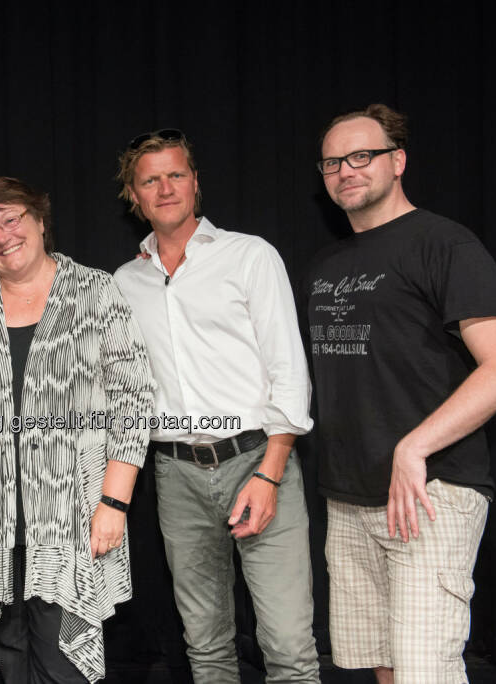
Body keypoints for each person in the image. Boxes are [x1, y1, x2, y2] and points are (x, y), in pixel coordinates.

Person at [306, 104, 496, 683]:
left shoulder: (444, 244)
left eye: (362, 156)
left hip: (431, 492)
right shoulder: (327, 264)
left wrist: (414, 447)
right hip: (350, 496)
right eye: (333, 162)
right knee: (382, 666)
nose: (345, 170)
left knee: (423, 672)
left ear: (397, 161)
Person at [113, 129, 320, 683]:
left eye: (175, 174)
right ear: (133, 196)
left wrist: (271, 474)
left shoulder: (248, 255)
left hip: (256, 459)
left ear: (196, 183)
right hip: (175, 473)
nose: (165, 188)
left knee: (289, 648)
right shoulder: (124, 282)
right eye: (149, 179)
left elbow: (288, 369)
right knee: (205, 648)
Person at [0, 176, 154, 683]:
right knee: (6, 663)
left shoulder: (96, 292)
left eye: (12, 219)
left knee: (63, 664)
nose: (2, 236)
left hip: (74, 520)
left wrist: (115, 503)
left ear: (40, 220)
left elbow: (134, 399)